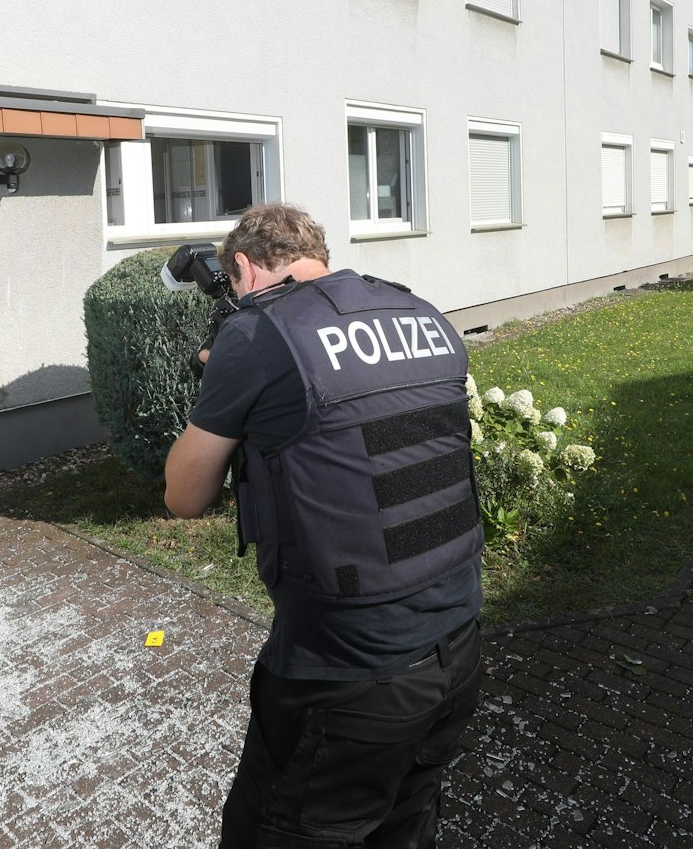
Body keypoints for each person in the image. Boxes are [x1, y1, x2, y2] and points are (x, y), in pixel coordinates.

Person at [164, 203, 483, 849]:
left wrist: (226, 374)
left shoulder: (257, 335)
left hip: (346, 671)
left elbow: (184, 495)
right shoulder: (420, 312)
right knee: (404, 824)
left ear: (245, 266)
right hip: (458, 645)